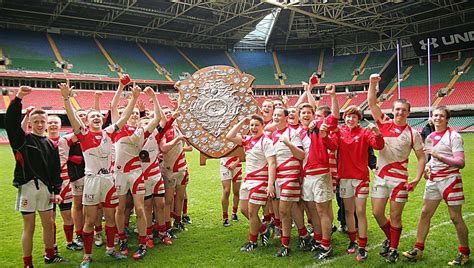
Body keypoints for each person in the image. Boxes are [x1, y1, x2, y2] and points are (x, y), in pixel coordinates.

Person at [60, 82, 140, 267]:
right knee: (90, 219)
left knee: (110, 218)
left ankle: (111, 249)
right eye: (92, 116)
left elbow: (124, 117)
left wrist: (134, 98)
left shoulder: (108, 133)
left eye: (98, 115)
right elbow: (72, 117)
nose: (96, 118)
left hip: (108, 181)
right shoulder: (83, 135)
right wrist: (66, 98)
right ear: (87, 122)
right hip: (91, 181)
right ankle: (87, 256)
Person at [367, 74, 426, 263]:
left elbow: (421, 157)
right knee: (377, 213)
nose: (400, 113)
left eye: (404, 110)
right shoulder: (384, 123)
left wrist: (417, 178)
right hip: (381, 177)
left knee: (395, 215)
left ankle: (393, 248)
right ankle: (389, 238)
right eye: (397, 109)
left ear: (408, 113)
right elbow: (372, 103)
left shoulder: (413, 134)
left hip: (400, 181)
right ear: (392, 111)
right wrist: (372, 83)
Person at [5, 86, 65, 267]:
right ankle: (27, 263)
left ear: (46, 123)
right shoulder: (22, 140)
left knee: (48, 223)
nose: (40, 124)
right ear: (30, 123)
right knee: (29, 227)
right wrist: (19, 98)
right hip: (28, 188)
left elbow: (55, 171)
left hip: (46, 190)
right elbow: (10, 122)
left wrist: (56, 191)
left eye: (42, 121)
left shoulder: (51, 144)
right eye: (36, 121)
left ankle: (50, 255)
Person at [403, 106, 470, 266]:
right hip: (433, 180)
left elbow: (460, 163)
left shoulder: (454, 137)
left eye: (441, 115)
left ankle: (464, 253)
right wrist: (428, 166)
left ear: (447, 119)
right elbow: (431, 159)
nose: (438, 118)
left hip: (450, 180)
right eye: (435, 115)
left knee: (455, 217)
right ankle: (418, 250)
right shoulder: (431, 136)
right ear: (431, 118)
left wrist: (438, 155)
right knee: (425, 213)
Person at [330, 105, 384, 261]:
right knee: (348, 212)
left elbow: (378, 146)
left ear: (358, 119)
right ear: (344, 117)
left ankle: (362, 246)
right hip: (344, 178)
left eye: (353, 117)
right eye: (347, 116)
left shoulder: (365, 132)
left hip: (361, 178)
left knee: (360, 211)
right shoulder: (340, 131)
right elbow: (331, 145)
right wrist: (326, 134)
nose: (350, 119)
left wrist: (377, 133)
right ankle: (353, 241)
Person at [226, 115, 276, 252]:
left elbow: (272, 163)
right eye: (251, 125)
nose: (253, 128)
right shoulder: (247, 140)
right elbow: (230, 136)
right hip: (248, 180)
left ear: (262, 126)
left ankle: (252, 242)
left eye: (256, 125)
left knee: (252, 212)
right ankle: (263, 229)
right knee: (243, 210)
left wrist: (270, 183)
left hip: (260, 180)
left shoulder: (266, 142)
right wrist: (242, 121)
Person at [270, 107, 305, 257]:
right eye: (274, 115)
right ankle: (304, 235)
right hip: (279, 177)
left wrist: (288, 143)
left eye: (279, 115)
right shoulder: (273, 134)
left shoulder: (292, 133)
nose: (276, 117)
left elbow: (301, 155)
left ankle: (285, 245)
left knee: (283, 211)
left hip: (290, 176)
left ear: (285, 117)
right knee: (292, 208)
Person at [219, 156, 242, 227]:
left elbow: (243, 152)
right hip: (225, 164)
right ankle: (225, 217)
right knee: (226, 191)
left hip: (237, 165)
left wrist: (236, 162)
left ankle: (234, 213)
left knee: (236, 191)